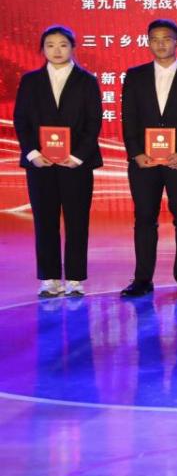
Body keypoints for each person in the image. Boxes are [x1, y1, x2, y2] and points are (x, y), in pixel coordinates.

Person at [120, 19, 177, 298]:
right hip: (144, 161)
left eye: (166, 38)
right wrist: (136, 153)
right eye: (155, 39)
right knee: (144, 217)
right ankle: (142, 279)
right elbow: (129, 117)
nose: (160, 44)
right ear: (148, 42)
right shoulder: (135, 76)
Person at [13, 25, 102, 297]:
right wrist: (32, 153)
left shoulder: (87, 81)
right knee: (44, 221)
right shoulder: (31, 81)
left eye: (63, 45)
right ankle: (49, 278)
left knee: (77, 221)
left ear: (73, 48)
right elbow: (21, 120)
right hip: (40, 164)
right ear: (42, 49)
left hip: (76, 164)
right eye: (50, 45)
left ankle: (75, 278)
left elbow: (93, 122)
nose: (57, 50)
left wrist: (77, 156)